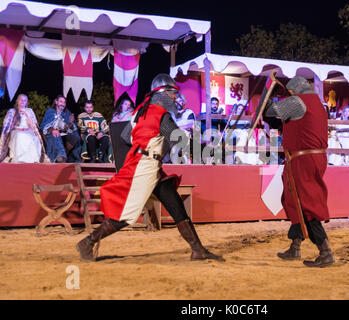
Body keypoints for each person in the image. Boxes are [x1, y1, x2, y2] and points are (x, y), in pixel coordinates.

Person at [76, 73, 224, 263]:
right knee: (128, 213)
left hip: (148, 164)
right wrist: (208, 149)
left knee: (174, 201)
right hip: (145, 167)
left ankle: (198, 249)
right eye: (172, 93)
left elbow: (125, 137)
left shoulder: (141, 111)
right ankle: (88, 242)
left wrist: (147, 143)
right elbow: (180, 141)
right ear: (162, 93)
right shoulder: (162, 115)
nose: (174, 97)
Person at [263, 76, 335, 268]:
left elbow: (269, 110)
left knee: (306, 203)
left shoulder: (298, 102)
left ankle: (325, 251)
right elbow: (289, 125)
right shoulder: (317, 105)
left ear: (294, 91)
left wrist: (268, 95)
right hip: (309, 157)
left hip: (304, 159)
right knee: (295, 198)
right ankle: (295, 246)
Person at [0, 94, 45, 163]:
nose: (23, 102)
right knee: (20, 136)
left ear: (27, 102)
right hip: (16, 130)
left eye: (25, 100)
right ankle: (20, 159)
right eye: (21, 100)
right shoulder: (12, 111)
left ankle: (32, 160)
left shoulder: (29, 110)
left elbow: (33, 125)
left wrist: (26, 114)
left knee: (34, 137)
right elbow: (8, 125)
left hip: (28, 130)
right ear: (17, 101)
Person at [40, 95, 81, 163]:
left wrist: (70, 123)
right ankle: (61, 155)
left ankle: (75, 160)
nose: (63, 104)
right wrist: (52, 130)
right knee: (56, 134)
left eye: (64, 102)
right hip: (50, 133)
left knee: (75, 137)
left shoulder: (66, 113)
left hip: (62, 134)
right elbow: (43, 125)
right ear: (56, 102)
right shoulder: (50, 111)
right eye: (61, 101)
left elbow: (68, 128)